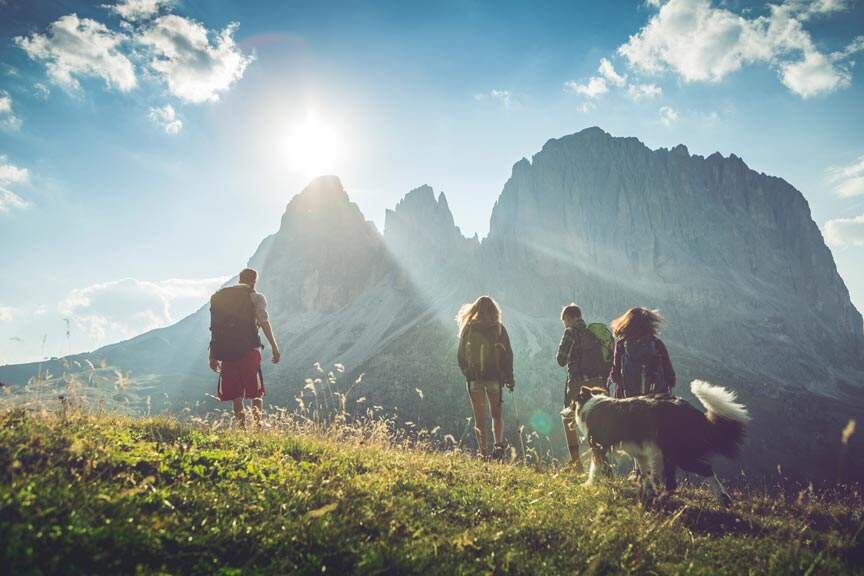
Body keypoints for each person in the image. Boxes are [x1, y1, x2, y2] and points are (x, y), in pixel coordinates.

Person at [209, 268, 280, 429]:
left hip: (226, 351)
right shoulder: (256, 297)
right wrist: (274, 347)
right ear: (254, 280)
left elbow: (215, 328)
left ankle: (242, 430)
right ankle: (257, 429)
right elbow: (264, 322)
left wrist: (212, 355)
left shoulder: (221, 298)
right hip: (250, 349)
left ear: (239, 279)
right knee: (256, 392)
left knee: (236, 395)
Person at [456, 295, 514, 460]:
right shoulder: (499, 329)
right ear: (494, 310)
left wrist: (468, 373)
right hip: (494, 379)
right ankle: (498, 447)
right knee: (496, 415)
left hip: (475, 380)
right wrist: (509, 378)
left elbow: (460, 355)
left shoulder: (468, 328)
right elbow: (508, 355)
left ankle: (483, 452)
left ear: (475, 310)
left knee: (479, 418)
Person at [556, 304, 609, 471]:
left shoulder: (570, 332)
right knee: (597, 423)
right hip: (598, 383)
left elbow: (561, 360)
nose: (564, 324)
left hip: (578, 383)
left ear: (570, 317)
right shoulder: (594, 333)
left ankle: (576, 463)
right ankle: (603, 465)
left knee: (568, 418)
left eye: (564, 320)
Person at [608, 307, 675, 398]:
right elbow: (670, 375)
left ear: (626, 323)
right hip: (656, 397)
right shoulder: (656, 343)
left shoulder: (621, 344)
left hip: (628, 398)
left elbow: (615, 375)